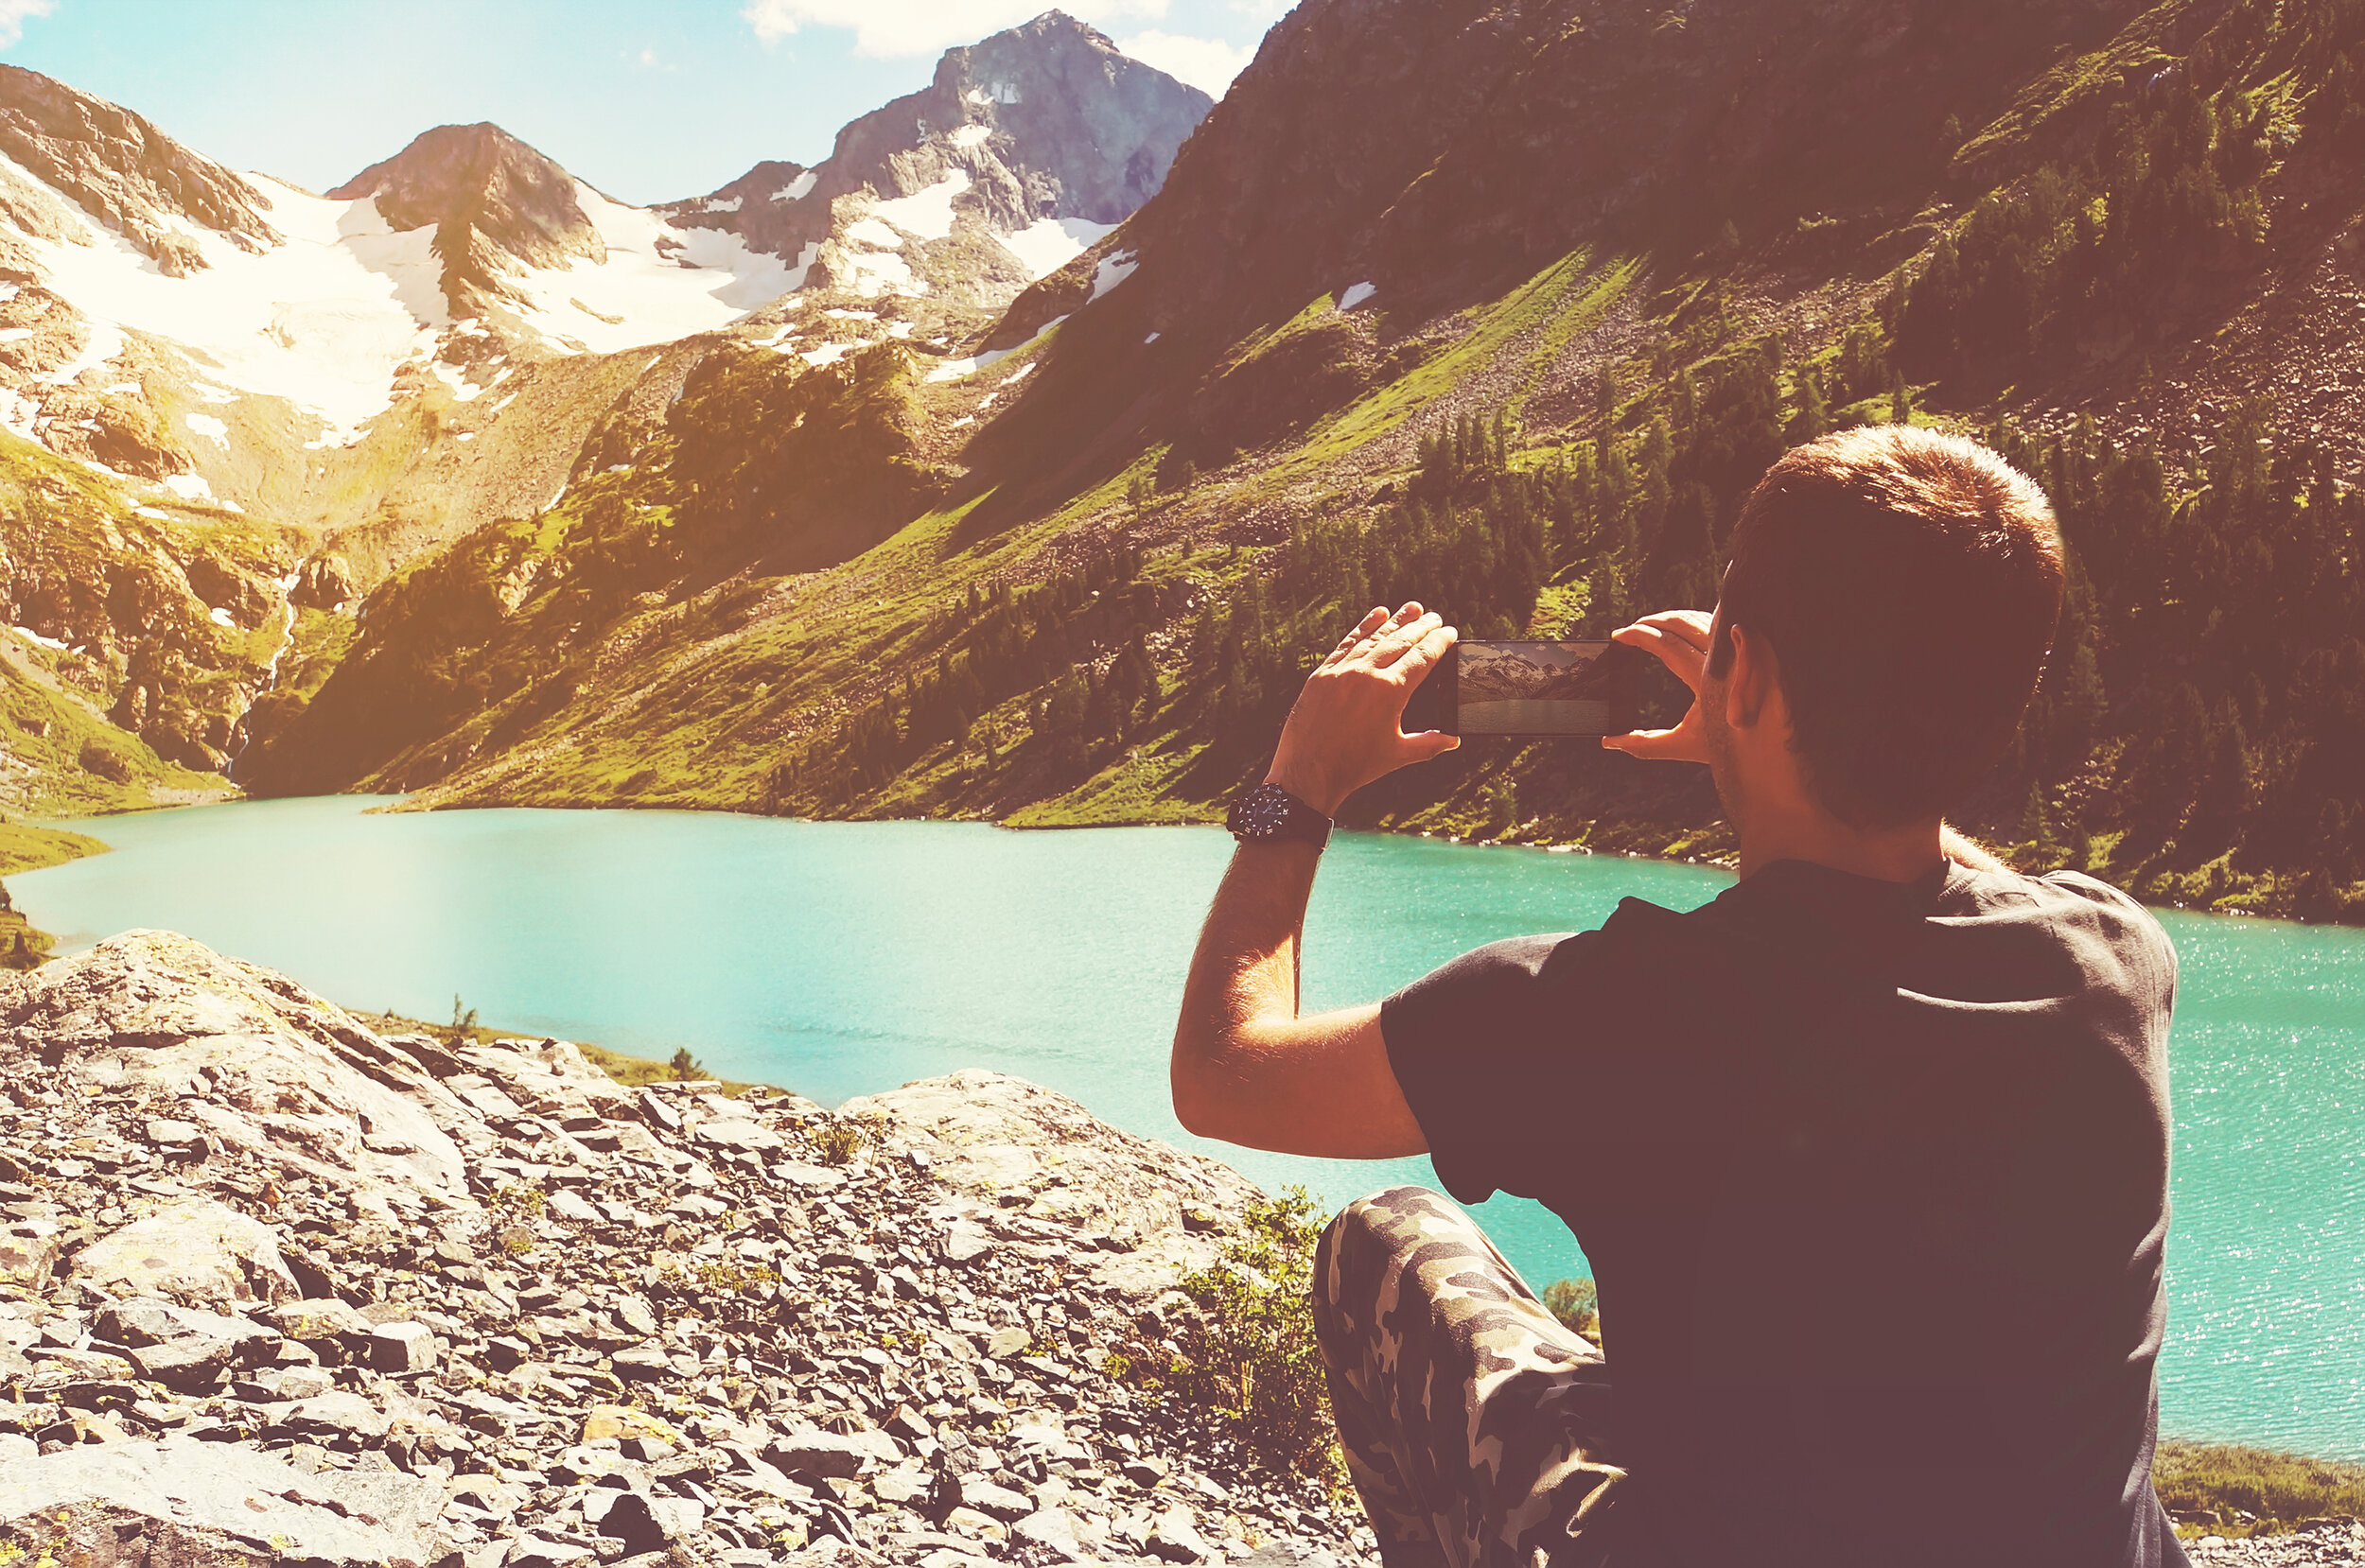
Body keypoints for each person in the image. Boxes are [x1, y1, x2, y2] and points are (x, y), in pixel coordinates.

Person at [1171, 427, 2186, 1568]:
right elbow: (1954, 869)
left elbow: (1224, 1070)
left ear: (1738, 670)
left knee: (1385, 1240)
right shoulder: (2117, 961)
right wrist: (1791, 732)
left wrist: (1296, 785)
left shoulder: (1605, 1014)